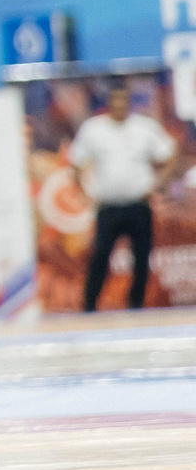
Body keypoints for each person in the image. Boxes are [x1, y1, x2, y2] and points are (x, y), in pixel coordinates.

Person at [71, 84, 178, 313]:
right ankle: (89, 307)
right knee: (100, 256)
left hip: (138, 205)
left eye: (123, 101)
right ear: (108, 103)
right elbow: (77, 162)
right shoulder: (93, 129)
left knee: (141, 258)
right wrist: (86, 192)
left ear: (128, 103)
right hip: (108, 207)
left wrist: (157, 183)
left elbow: (169, 154)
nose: (119, 105)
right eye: (115, 101)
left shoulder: (144, 128)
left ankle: (136, 306)